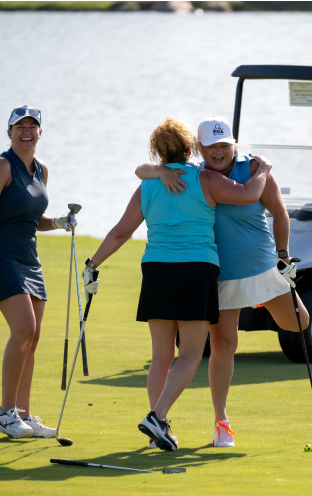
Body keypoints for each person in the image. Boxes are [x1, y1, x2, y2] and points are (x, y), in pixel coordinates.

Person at [84, 118, 272, 451]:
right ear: (191, 150)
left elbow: (119, 232)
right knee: (189, 354)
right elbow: (249, 194)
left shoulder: (148, 184)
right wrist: (262, 170)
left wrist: (92, 264)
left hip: (156, 270)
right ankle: (157, 417)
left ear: (158, 153)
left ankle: (160, 429)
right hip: (195, 271)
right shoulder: (206, 179)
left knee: (160, 357)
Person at [135, 115, 308, 448]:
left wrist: (284, 254)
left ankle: (259, 301)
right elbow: (143, 170)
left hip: (261, 267)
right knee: (224, 345)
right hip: (221, 276)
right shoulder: (197, 174)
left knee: (299, 323)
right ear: (199, 148)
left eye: (224, 145)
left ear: (234, 144)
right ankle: (221, 422)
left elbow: (280, 213)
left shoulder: (255, 168)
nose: (219, 152)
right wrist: (159, 171)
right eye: (212, 146)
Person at [0, 105, 75, 439]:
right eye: (20, 127)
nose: (26, 131)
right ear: (9, 133)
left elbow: (32, 219)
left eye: (33, 126)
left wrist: (59, 222)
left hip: (29, 259)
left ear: (40, 133)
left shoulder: (42, 170)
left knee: (33, 337)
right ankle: (6, 413)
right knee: (24, 329)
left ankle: (25, 415)